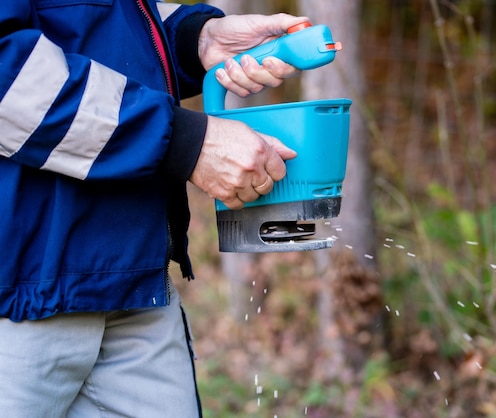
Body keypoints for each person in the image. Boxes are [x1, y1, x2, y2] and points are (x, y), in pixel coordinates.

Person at [0, 1, 308, 416]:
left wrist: (192, 39)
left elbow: (93, 21)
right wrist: (183, 142)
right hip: (17, 292)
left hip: (134, 286)